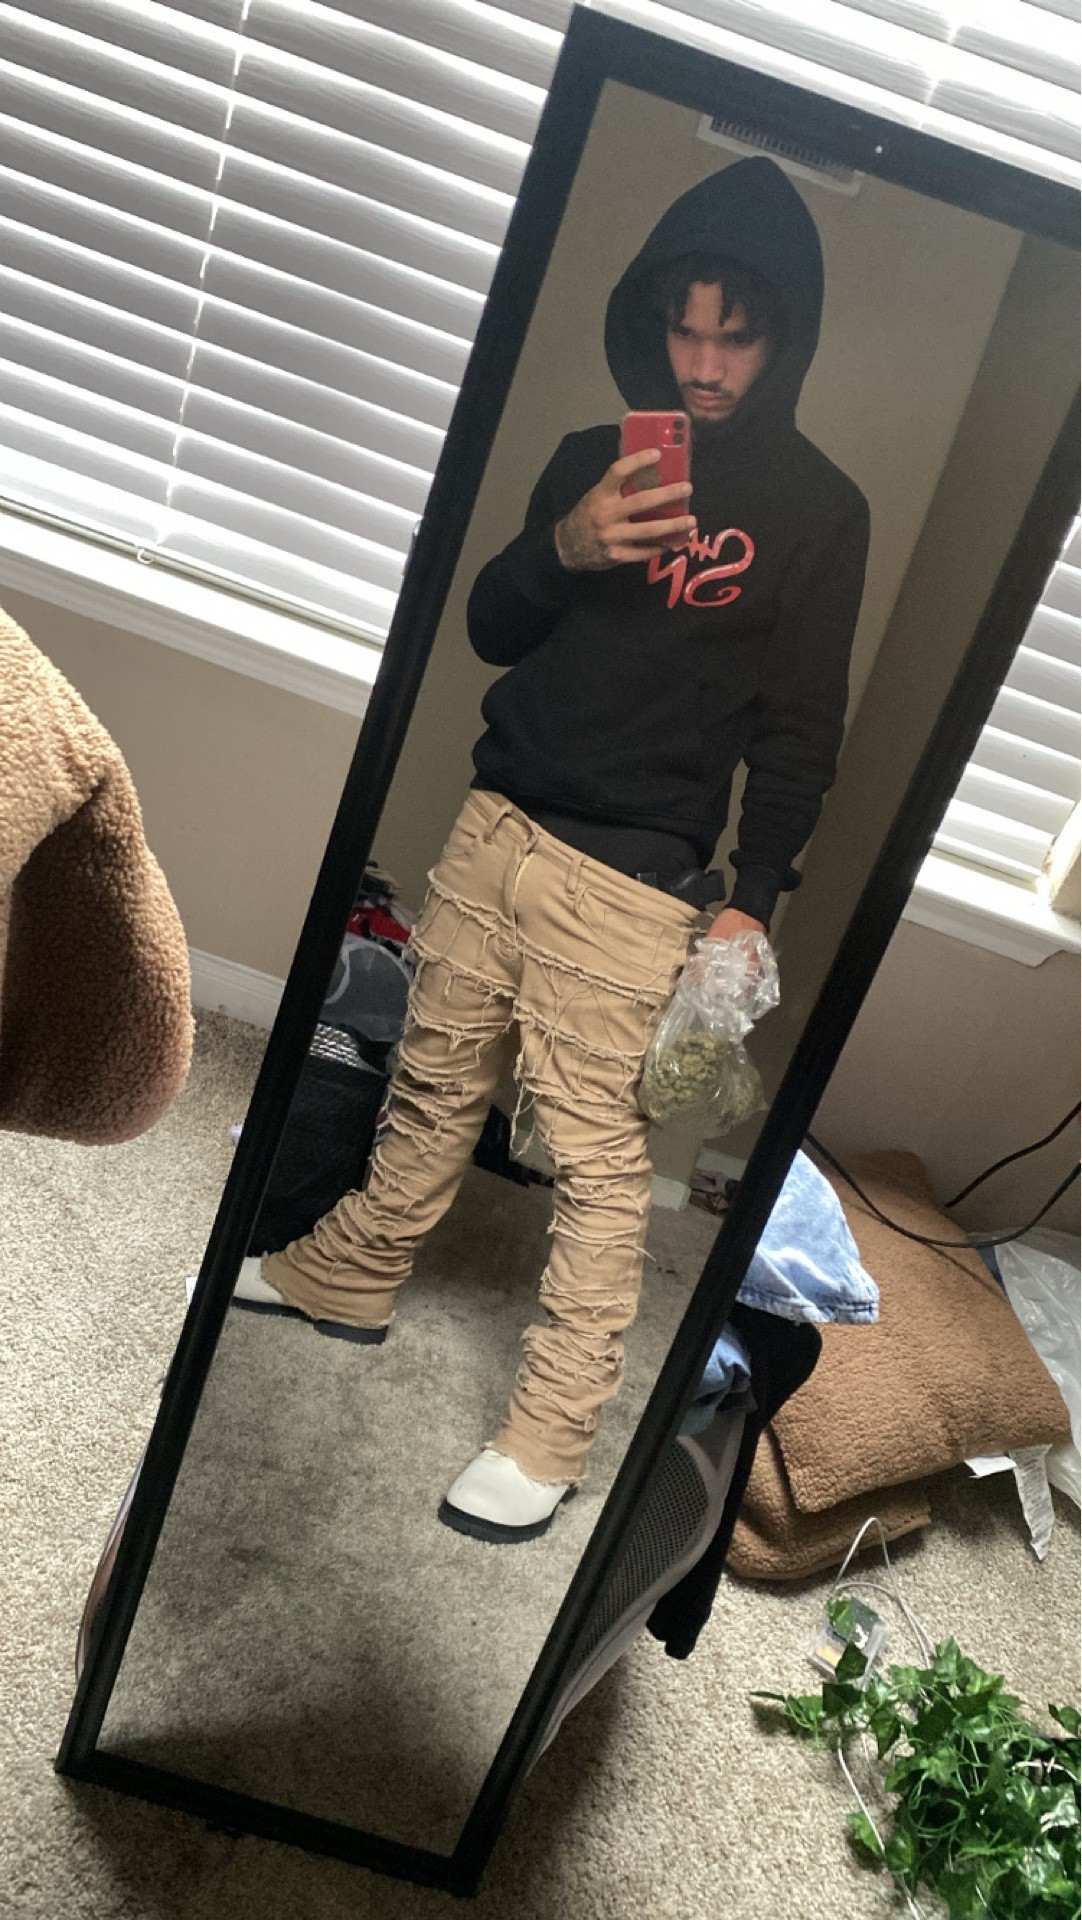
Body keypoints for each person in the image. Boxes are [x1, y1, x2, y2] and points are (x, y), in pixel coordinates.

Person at [233, 157, 870, 1542]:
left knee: (595, 1164)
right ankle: (352, 1271)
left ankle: (555, 1427)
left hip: (632, 884)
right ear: (652, 319)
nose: (703, 364)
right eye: (683, 328)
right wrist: (568, 544)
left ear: (784, 335)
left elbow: (802, 730)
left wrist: (754, 897)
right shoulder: (594, 457)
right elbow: (489, 626)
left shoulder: (824, 512)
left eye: (735, 334)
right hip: (497, 824)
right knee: (432, 1080)